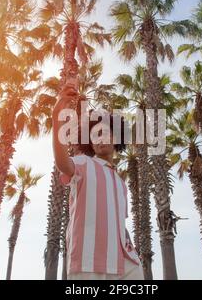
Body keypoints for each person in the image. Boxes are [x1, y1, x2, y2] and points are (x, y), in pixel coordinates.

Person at [52, 78, 143, 280]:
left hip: (124, 260)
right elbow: (62, 163)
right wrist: (56, 116)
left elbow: (119, 221)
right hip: (88, 260)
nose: (100, 138)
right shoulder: (83, 163)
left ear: (115, 138)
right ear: (91, 145)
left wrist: (129, 245)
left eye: (104, 133)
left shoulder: (121, 183)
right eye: (95, 136)